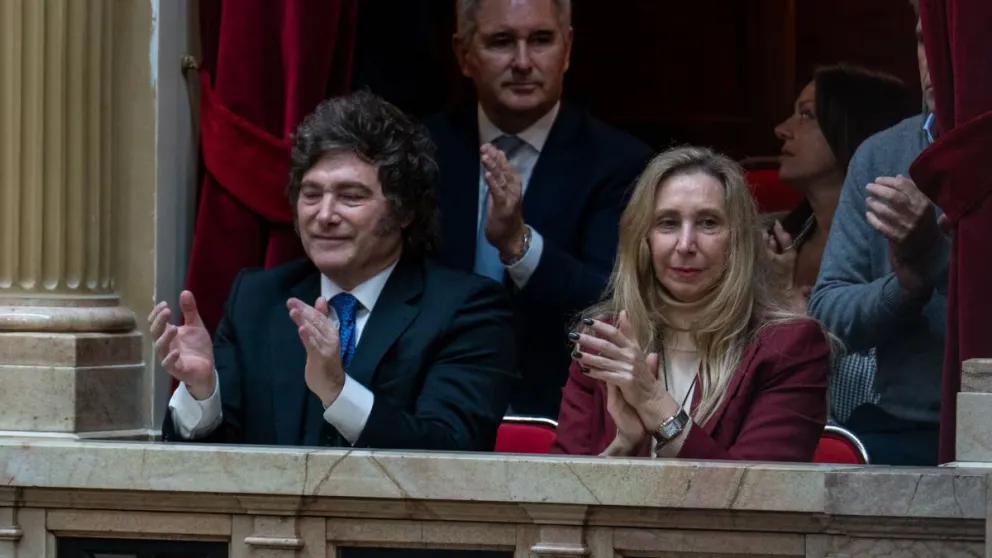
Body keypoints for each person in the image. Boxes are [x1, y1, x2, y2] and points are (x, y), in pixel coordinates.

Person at [153, 90, 517, 451]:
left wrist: (339, 393)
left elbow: (452, 451)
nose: (324, 216)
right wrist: (202, 393)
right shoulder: (257, 299)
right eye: (311, 195)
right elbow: (217, 460)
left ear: (404, 210)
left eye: (351, 196)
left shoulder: (468, 310)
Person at [425, 0, 653, 418]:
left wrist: (518, 243)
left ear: (567, 48)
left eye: (541, 40)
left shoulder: (620, 162)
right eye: (502, 41)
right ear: (464, 54)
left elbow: (609, 305)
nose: (523, 61)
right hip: (427, 401)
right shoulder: (421, 152)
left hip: (560, 408)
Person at [551, 147, 831, 461]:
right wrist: (623, 448)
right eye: (668, 223)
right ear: (644, 238)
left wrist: (654, 403)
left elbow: (759, 497)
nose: (685, 245)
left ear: (737, 240)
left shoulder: (787, 347)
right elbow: (564, 496)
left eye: (708, 223)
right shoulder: (604, 344)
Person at [807, 0, 949, 466]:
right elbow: (827, 311)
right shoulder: (881, 155)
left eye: (949, 42)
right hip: (903, 424)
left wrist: (933, 253)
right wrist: (902, 290)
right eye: (925, 39)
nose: (934, 59)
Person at [766, 64, 912, 425]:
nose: (782, 130)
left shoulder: (903, 237)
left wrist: (804, 324)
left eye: (807, 115)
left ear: (853, 126)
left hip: (867, 434)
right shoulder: (771, 241)